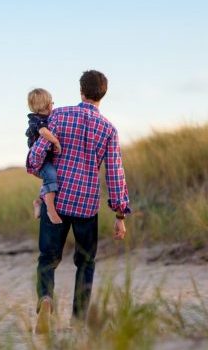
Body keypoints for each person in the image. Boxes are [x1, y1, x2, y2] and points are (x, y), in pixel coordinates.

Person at [26, 70, 131, 334]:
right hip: (86, 205)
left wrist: (37, 164)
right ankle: (79, 320)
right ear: (102, 94)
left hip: (58, 200)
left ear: (81, 91)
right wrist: (120, 215)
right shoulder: (108, 129)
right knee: (85, 262)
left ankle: (46, 299)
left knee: (47, 259)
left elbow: (35, 157)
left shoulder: (58, 115)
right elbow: (115, 173)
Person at [25, 88, 63, 224]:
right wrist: (56, 141)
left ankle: (39, 202)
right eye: (52, 103)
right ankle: (50, 210)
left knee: (50, 180)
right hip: (40, 161)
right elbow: (43, 132)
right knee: (51, 176)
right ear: (48, 105)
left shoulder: (47, 118)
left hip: (46, 159)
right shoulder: (37, 120)